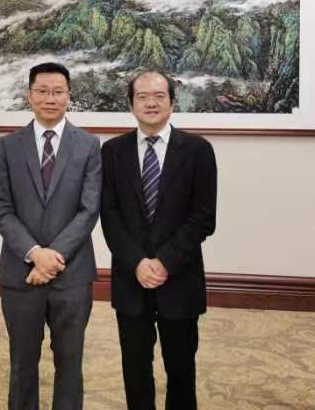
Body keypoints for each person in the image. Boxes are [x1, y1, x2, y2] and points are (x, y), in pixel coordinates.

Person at [100, 70, 218, 410]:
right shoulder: (112, 151)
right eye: (142, 96)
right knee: (135, 371)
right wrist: (137, 262)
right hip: (130, 279)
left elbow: (203, 218)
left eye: (159, 96)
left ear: (172, 102)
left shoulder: (198, 150)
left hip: (179, 279)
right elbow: (109, 215)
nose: (150, 103)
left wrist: (164, 262)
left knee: (181, 371)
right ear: (130, 104)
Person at [0, 62, 101, 410]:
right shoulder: (8, 146)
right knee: (22, 364)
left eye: (57, 91)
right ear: (29, 96)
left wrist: (54, 257)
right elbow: (2, 208)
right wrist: (35, 253)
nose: (50, 98)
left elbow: (89, 209)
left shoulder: (89, 145)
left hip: (73, 276)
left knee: (70, 363)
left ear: (69, 96)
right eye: (42, 91)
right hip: (20, 273)